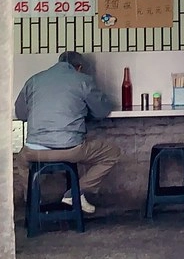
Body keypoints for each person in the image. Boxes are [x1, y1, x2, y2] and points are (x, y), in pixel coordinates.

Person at [15, 51, 119, 214]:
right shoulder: (83, 81)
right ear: (79, 67)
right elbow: (102, 111)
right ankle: (75, 193)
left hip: (34, 152)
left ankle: (34, 201)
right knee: (112, 153)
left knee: (21, 161)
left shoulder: (33, 80)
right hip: (70, 151)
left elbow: (21, 114)